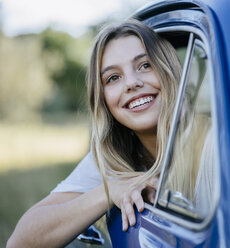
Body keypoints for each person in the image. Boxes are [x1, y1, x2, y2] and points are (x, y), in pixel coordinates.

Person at [7, 19, 183, 248]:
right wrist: (111, 191)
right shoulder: (112, 158)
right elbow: (20, 242)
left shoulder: (216, 141)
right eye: (113, 78)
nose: (131, 83)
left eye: (145, 65)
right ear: (104, 101)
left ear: (170, 69)